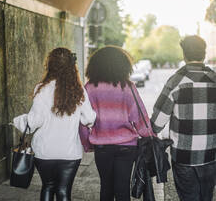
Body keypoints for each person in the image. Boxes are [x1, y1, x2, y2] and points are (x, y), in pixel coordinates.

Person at [150, 35, 216, 201]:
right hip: (210, 155)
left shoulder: (175, 82)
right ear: (204, 55)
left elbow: (157, 123)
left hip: (183, 157)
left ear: (184, 55)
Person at [13, 47, 96, 201]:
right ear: (72, 66)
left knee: (48, 186)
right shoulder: (79, 90)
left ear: (50, 65)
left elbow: (34, 121)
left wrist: (17, 120)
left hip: (44, 152)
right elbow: (89, 119)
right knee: (64, 191)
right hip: (70, 153)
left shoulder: (42, 88)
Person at [79, 46, 153, 201]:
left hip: (102, 146)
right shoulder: (128, 87)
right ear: (123, 65)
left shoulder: (90, 88)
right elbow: (140, 118)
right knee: (122, 188)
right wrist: (151, 136)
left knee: (106, 187)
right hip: (127, 146)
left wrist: (87, 143)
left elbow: (83, 121)